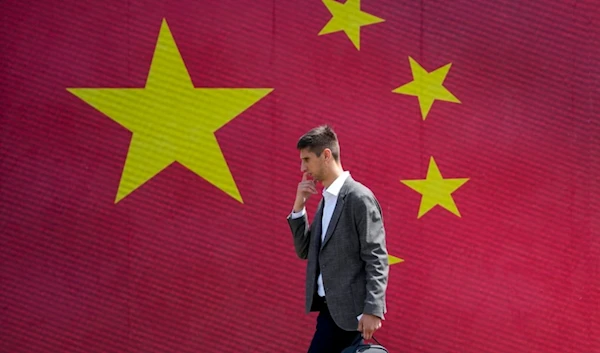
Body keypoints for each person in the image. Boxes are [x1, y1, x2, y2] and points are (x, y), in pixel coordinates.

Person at [287, 125, 389, 353]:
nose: (303, 168)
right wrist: (299, 206)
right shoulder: (326, 200)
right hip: (329, 311)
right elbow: (305, 251)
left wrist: (373, 309)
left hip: (351, 315)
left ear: (325, 155)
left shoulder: (358, 198)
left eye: (307, 159)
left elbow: (376, 257)